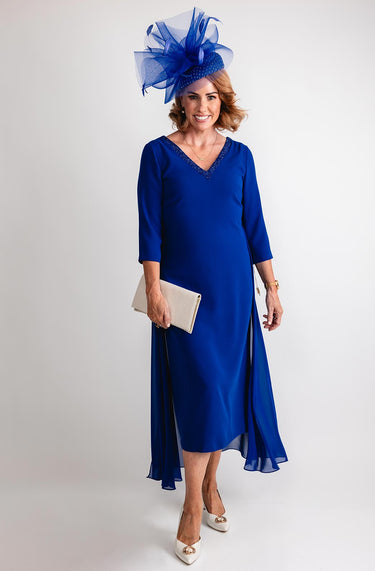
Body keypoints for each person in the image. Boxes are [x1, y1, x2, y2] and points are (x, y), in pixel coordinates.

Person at [134, 7, 288, 565]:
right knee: (199, 392)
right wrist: (153, 289)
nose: (203, 107)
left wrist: (271, 287)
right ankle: (192, 505)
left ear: (224, 102)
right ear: (180, 99)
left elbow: (255, 227)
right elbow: (150, 230)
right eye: (194, 97)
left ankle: (210, 486)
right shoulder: (157, 155)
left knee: (222, 392)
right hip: (185, 300)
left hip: (233, 298)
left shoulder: (241, 157)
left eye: (213, 97)